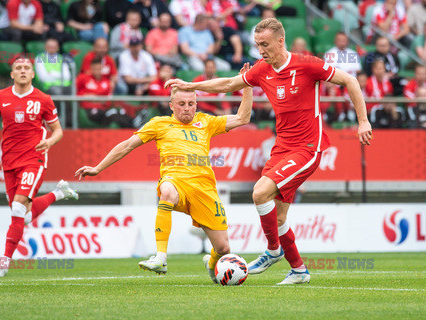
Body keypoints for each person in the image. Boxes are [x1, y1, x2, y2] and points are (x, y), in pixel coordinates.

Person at [165, 18, 373, 284]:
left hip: (308, 147)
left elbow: (350, 82)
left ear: (280, 41)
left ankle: (273, 251)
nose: (261, 50)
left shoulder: (307, 64)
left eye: (265, 44)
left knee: (259, 192)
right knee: (279, 214)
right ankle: (299, 270)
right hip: (282, 147)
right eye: (257, 45)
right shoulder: (262, 69)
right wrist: (192, 86)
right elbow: (229, 84)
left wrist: (363, 121)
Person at [75, 68, 253, 281]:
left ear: (196, 104)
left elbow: (243, 118)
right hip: (175, 181)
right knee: (166, 191)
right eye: (181, 104)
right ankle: (161, 257)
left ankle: (212, 261)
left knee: (223, 248)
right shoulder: (159, 124)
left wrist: (247, 87)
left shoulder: (207, 122)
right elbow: (127, 145)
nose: (187, 109)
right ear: (171, 105)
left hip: (204, 188)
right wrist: (98, 168)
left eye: (191, 104)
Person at [0, 56, 79, 278]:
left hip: (34, 159)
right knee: (24, 215)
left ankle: (4, 263)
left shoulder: (43, 99)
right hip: (9, 161)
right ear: (11, 74)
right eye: (18, 68)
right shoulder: (0, 96)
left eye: (27, 68)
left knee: (18, 209)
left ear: (33, 74)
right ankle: (58, 193)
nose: (22, 71)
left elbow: (58, 130)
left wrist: (50, 141)